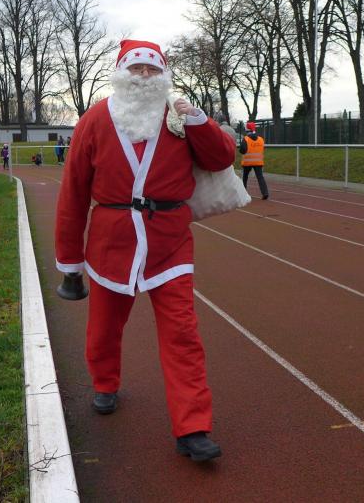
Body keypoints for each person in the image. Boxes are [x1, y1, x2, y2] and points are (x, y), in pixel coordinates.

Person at [55, 39, 235, 462]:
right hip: (111, 244)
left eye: (152, 69)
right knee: (104, 326)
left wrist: (199, 121)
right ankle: (105, 383)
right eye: (136, 68)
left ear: (163, 75)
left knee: (183, 334)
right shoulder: (94, 119)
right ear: (121, 72)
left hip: (169, 244)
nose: (144, 76)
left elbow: (221, 158)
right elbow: (73, 193)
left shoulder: (180, 115)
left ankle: (193, 427)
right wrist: (70, 263)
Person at [239, 121, 269, 200]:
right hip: (258, 162)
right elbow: (262, 149)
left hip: (247, 162)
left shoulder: (245, 139)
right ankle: (265, 193)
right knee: (260, 177)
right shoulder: (261, 139)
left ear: (247, 130)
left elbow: (242, 150)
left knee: (245, 177)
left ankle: (243, 193)